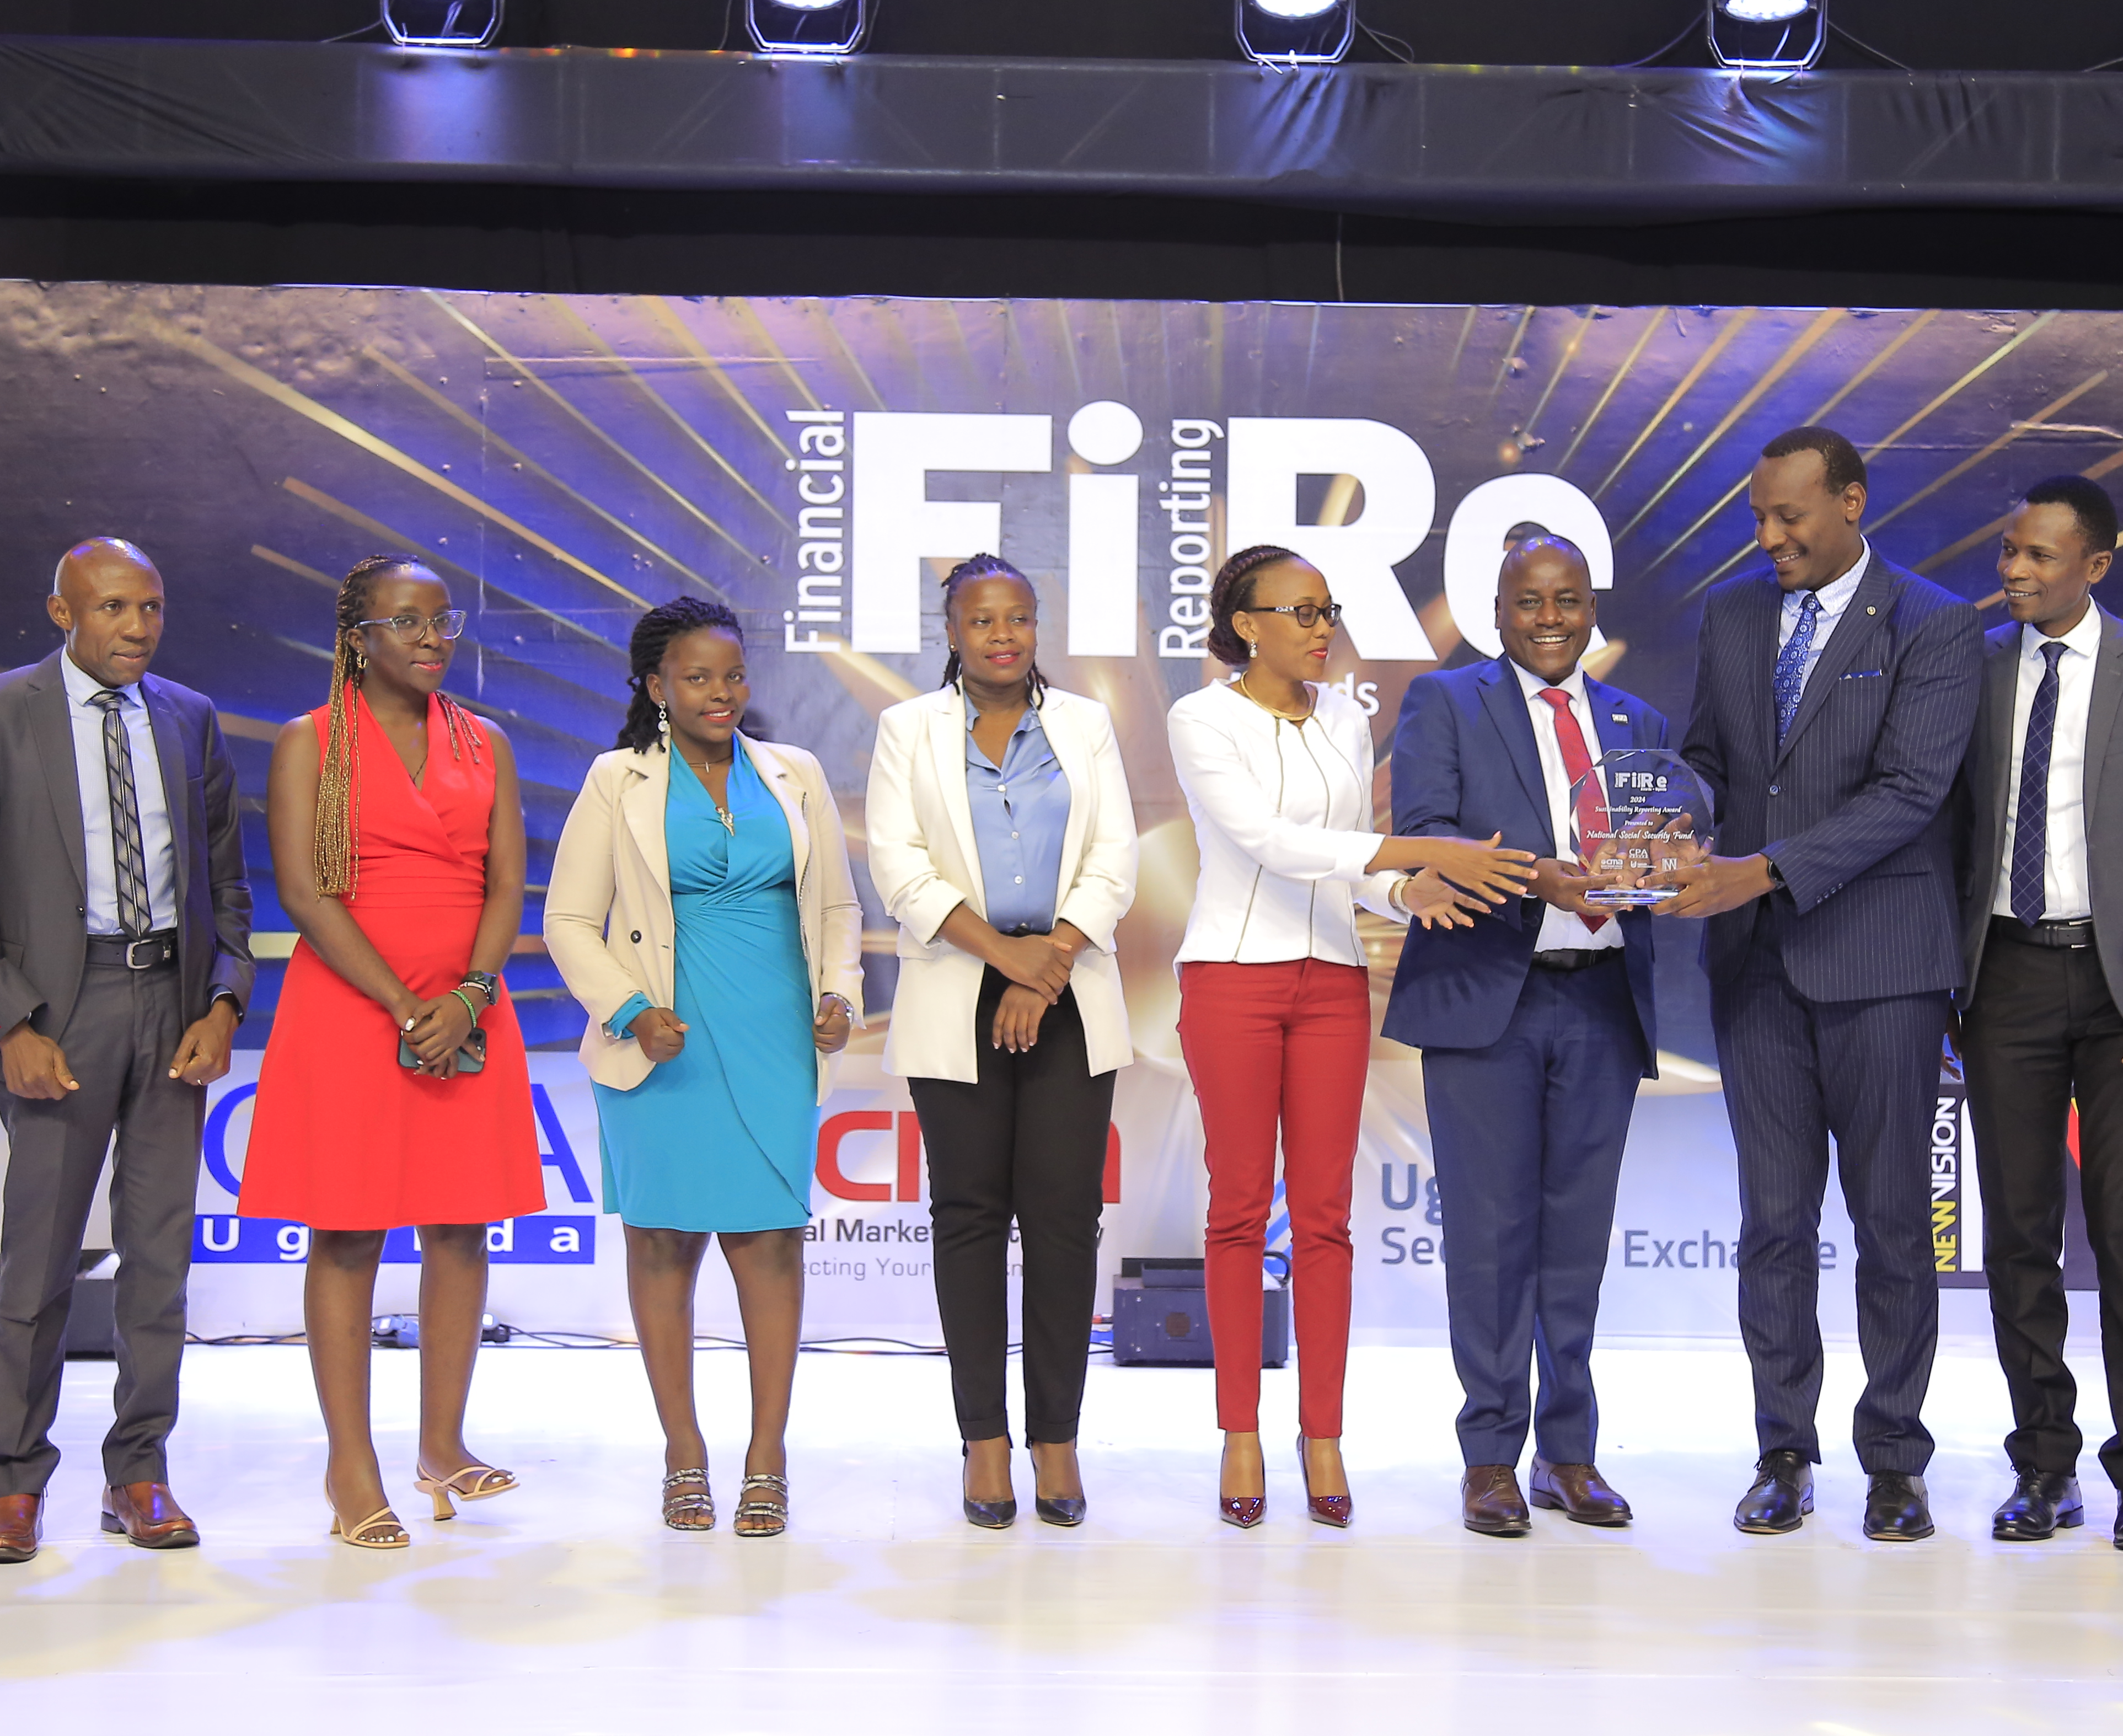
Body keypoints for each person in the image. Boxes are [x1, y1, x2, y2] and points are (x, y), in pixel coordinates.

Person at [1167, 544, 1537, 1528]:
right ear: (1247, 626)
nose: (1324, 628)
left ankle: (1320, 1430)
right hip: (1232, 980)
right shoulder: (1201, 716)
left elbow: (1343, 863)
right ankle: (1239, 1430)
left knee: (1326, 1218)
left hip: (1331, 980)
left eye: (1329, 610)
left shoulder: (1343, 714)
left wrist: (1404, 890)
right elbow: (1271, 844)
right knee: (1240, 1211)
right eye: (1302, 612)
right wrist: (1423, 848)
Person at [1667, 425, 1981, 1543]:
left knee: (1896, 1222)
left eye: (1789, 515)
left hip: (1883, 967)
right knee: (1773, 1224)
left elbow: (1910, 793)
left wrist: (1761, 871)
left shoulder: (1936, 625)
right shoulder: (1735, 616)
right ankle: (1783, 1452)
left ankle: (1895, 1458)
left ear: (1851, 503)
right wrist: (1663, 822)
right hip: (1757, 972)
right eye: (1758, 516)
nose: (1770, 537)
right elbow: (1709, 760)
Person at [0, 538, 255, 1564]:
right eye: (114, 607)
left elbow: (227, 883)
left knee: (158, 1261)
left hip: (172, 1004)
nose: (138, 627)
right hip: (58, 1015)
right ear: (63, 611)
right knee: (38, 1265)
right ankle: (16, 1483)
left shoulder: (189, 716)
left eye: (151, 607)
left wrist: (225, 1002)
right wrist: (12, 1022)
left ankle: (139, 1476)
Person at [238, 555, 543, 1550]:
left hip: (465, 1008)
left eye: (441, 619)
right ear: (356, 639)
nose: (429, 637)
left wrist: (466, 996)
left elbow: (506, 887)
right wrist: (405, 1005)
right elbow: (305, 894)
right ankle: (350, 1468)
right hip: (353, 1008)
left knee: (461, 1226)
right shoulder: (308, 743)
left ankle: (442, 1444)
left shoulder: (484, 742)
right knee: (349, 1231)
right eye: (404, 621)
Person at [543, 597, 862, 1537]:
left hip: (772, 1034)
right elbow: (567, 921)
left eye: (732, 676)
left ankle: (768, 1456)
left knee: (769, 1240)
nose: (720, 693)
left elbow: (839, 910)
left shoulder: (794, 775)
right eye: (696, 678)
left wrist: (837, 996)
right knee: (662, 1241)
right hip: (665, 1041)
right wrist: (632, 1012)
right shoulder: (617, 779)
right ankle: (684, 1453)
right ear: (656, 687)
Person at [1383, 533, 1671, 1539]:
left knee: (1576, 1244)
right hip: (1484, 1000)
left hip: (1600, 999)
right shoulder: (1446, 703)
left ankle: (1571, 1453)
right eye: (1529, 602)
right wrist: (1540, 875)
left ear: (1592, 609)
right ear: (1496, 613)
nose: (1551, 619)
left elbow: (1671, 848)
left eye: (1570, 600)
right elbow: (1423, 830)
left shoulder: (1643, 725)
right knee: (1490, 1238)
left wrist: (1671, 868)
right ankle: (1491, 1458)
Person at [1952, 475, 2123, 1555]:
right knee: (2017, 1235)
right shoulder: (1971, 670)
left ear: (2096, 565)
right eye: (2010, 551)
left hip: (2122, 991)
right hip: (2002, 976)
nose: (2015, 570)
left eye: (2040, 557)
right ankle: (2044, 1466)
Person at [864, 554, 1140, 1529]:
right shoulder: (908, 729)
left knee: (1064, 1224)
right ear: (952, 633)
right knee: (971, 1221)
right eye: (982, 621)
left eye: (1018, 617)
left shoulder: (1083, 725)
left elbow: (1115, 857)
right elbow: (900, 871)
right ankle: (985, 1443)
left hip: (1068, 988)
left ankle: (1054, 1440)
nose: (1003, 635)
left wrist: (1050, 960)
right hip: (956, 991)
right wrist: (1008, 963)